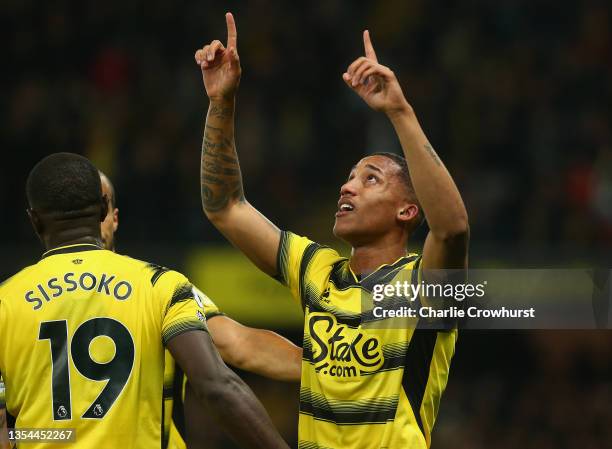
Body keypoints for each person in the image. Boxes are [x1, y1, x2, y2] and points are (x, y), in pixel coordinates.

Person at [194, 13, 469, 449]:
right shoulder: (316, 268)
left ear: (407, 211)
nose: (348, 185)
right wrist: (220, 103)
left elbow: (452, 230)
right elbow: (225, 207)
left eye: (370, 179)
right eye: (350, 176)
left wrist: (398, 111)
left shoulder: (421, 286)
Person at [0, 153, 289, 449]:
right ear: (103, 209)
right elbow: (217, 385)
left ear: (34, 220)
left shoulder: (6, 302)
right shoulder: (161, 286)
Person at [98, 171, 301, 448]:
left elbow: (238, 343)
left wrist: (332, 364)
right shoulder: (158, 286)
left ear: (114, 217)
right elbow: (231, 358)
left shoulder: (17, 295)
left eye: (98, 208)